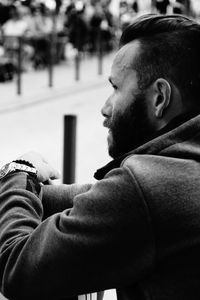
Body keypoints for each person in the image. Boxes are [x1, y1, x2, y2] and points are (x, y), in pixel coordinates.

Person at [1, 13, 200, 300]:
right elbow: (96, 197)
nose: (105, 108)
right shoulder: (182, 162)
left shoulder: (146, 188)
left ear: (159, 98)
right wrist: (20, 187)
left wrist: (18, 170)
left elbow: (16, 269)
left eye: (116, 88)